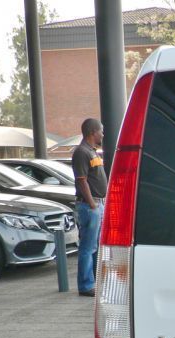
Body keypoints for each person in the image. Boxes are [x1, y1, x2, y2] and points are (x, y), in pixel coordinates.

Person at [72, 118, 107, 297]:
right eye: (101, 130)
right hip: (89, 206)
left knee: (95, 245)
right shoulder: (81, 152)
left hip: (98, 204)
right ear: (93, 132)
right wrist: (93, 204)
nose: (103, 134)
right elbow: (81, 180)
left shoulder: (93, 152)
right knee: (88, 246)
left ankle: (94, 281)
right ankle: (86, 286)